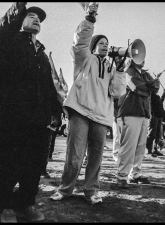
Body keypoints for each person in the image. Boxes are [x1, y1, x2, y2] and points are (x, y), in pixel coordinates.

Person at [0, 3, 62, 223]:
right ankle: (6, 207)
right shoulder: (9, 43)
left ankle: (25, 204)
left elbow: (49, 86)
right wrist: (18, 6)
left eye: (39, 18)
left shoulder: (40, 51)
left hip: (38, 120)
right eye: (31, 16)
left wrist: (55, 112)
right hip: (12, 117)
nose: (37, 19)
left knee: (34, 165)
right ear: (20, 20)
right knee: (10, 162)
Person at [50, 3, 128, 203]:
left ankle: (91, 191)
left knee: (96, 158)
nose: (105, 45)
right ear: (94, 46)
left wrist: (120, 71)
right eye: (101, 42)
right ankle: (65, 189)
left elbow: (117, 92)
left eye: (107, 43)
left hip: (101, 116)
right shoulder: (84, 59)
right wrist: (90, 20)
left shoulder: (112, 66)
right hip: (81, 112)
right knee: (74, 156)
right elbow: (80, 43)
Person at [115, 59, 160, 189]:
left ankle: (135, 174)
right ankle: (122, 176)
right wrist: (152, 83)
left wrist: (152, 84)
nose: (143, 60)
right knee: (129, 146)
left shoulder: (144, 74)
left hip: (144, 112)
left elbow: (154, 89)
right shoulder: (128, 71)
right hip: (130, 111)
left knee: (140, 146)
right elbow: (138, 87)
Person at [146, 88, 165, 157]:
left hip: (159, 117)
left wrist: (164, 93)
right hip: (154, 116)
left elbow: (162, 100)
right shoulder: (151, 95)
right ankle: (149, 150)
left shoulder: (157, 97)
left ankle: (155, 149)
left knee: (157, 135)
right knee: (152, 134)